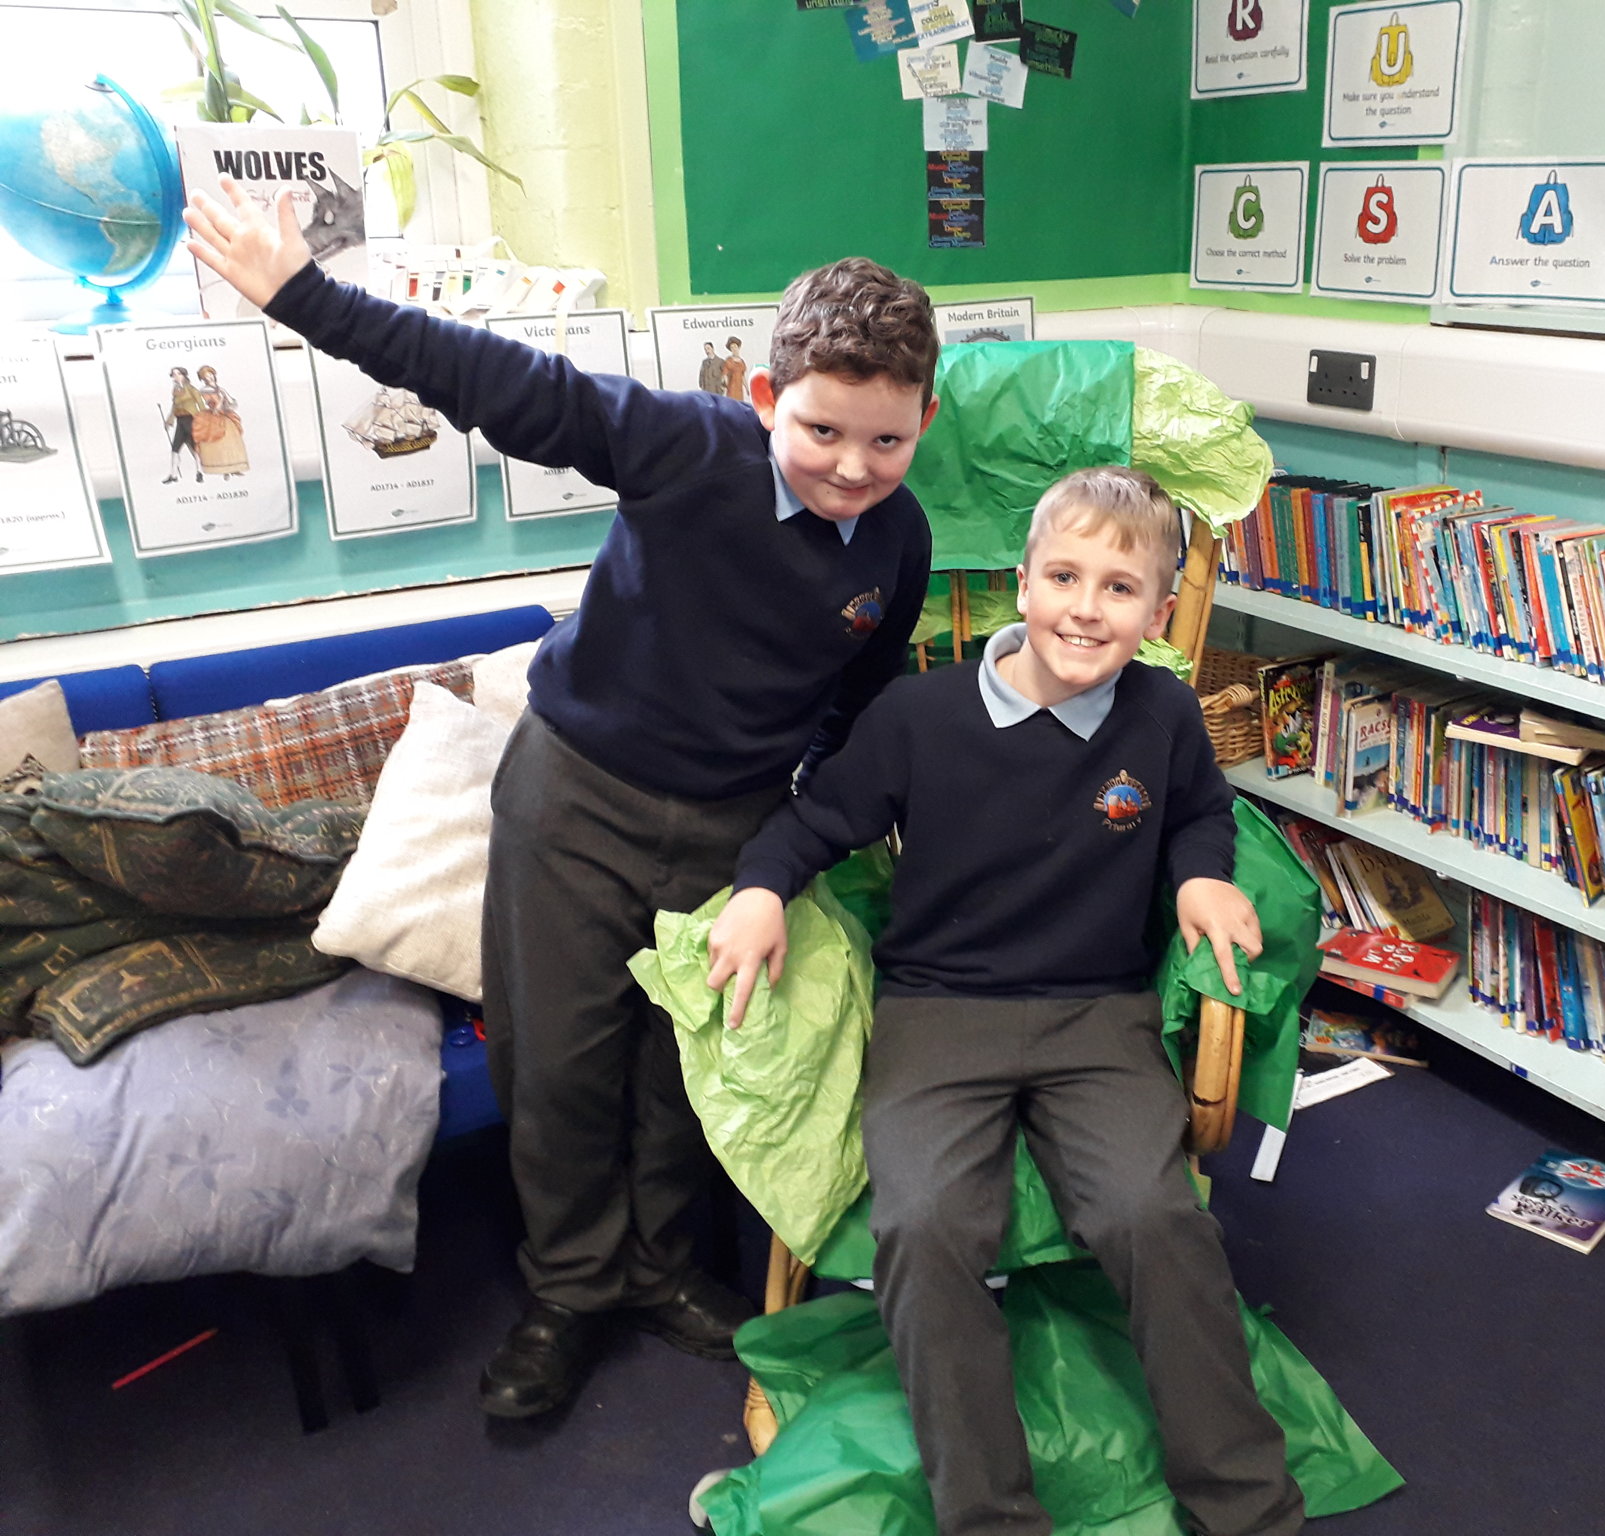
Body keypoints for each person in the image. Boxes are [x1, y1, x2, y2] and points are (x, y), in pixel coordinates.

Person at [181, 175, 942, 1421]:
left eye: (884, 440)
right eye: (818, 432)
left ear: (921, 420)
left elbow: (853, 702)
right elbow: (500, 382)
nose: (850, 468)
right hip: (575, 797)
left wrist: (801, 838)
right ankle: (572, 1290)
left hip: (732, 828)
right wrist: (304, 296)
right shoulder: (686, 446)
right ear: (764, 402)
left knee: (681, 1066)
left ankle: (654, 1272)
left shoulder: (897, 542)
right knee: (558, 1062)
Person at [707, 467, 1304, 1536]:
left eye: (1120, 588)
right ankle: (987, 1518)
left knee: (1152, 1215)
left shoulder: (1161, 711)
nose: (1085, 606)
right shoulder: (916, 714)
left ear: (1157, 613)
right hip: (939, 1015)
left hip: (1098, 1015)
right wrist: (759, 889)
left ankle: (1245, 1505)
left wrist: (1201, 872)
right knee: (928, 1226)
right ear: (1021, 583)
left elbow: (1197, 815)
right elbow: (814, 823)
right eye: (1064, 576)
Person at [192, 364, 250, 478]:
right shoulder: (205, 391)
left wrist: (225, 395)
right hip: (214, 416)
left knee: (232, 444)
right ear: (203, 379)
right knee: (219, 444)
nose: (210, 378)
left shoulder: (220, 388)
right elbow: (215, 408)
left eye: (211, 375)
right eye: (206, 376)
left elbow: (232, 404)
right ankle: (224, 471)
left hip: (226, 415)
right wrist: (221, 400)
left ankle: (234, 468)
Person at [162, 366, 204, 484]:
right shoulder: (176, 391)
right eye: (174, 374)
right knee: (175, 449)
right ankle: (173, 475)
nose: (175, 376)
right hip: (180, 421)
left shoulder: (190, 389)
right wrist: (169, 421)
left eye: (178, 374)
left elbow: (200, 403)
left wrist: (204, 418)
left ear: (184, 375)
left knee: (195, 448)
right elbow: (174, 407)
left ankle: (199, 472)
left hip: (191, 420)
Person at [722, 335, 748, 400]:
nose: (734, 349)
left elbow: (743, 376)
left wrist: (747, 388)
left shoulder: (741, 362)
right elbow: (724, 375)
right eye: (732, 347)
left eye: (735, 347)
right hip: (731, 388)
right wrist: (726, 386)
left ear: (738, 347)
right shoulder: (728, 360)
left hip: (739, 389)